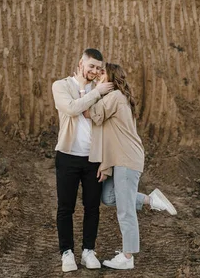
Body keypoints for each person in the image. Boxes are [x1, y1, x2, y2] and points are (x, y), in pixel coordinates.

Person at [85, 63, 177, 270]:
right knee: (109, 197)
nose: (98, 75)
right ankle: (150, 199)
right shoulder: (116, 98)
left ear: (111, 79)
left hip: (126, 159)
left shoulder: (115, 97)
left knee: (125, 210)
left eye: (102, 73)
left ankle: (127, 257)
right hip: (120, 158)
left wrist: (89, 90)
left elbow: (89, 113)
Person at [51, 49, 114, 273]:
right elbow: (72, 108)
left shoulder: (104, 89)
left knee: (92, 207)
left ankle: (88, 250)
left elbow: (108, 127)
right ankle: (66, 253)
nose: (95, 71)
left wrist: (106, 162)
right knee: (65, 207)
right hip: (67, 156)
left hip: (94, 159)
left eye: (99, 68)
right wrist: (96, 92)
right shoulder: (61, 86)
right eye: (92, 66)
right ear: (81, 63)